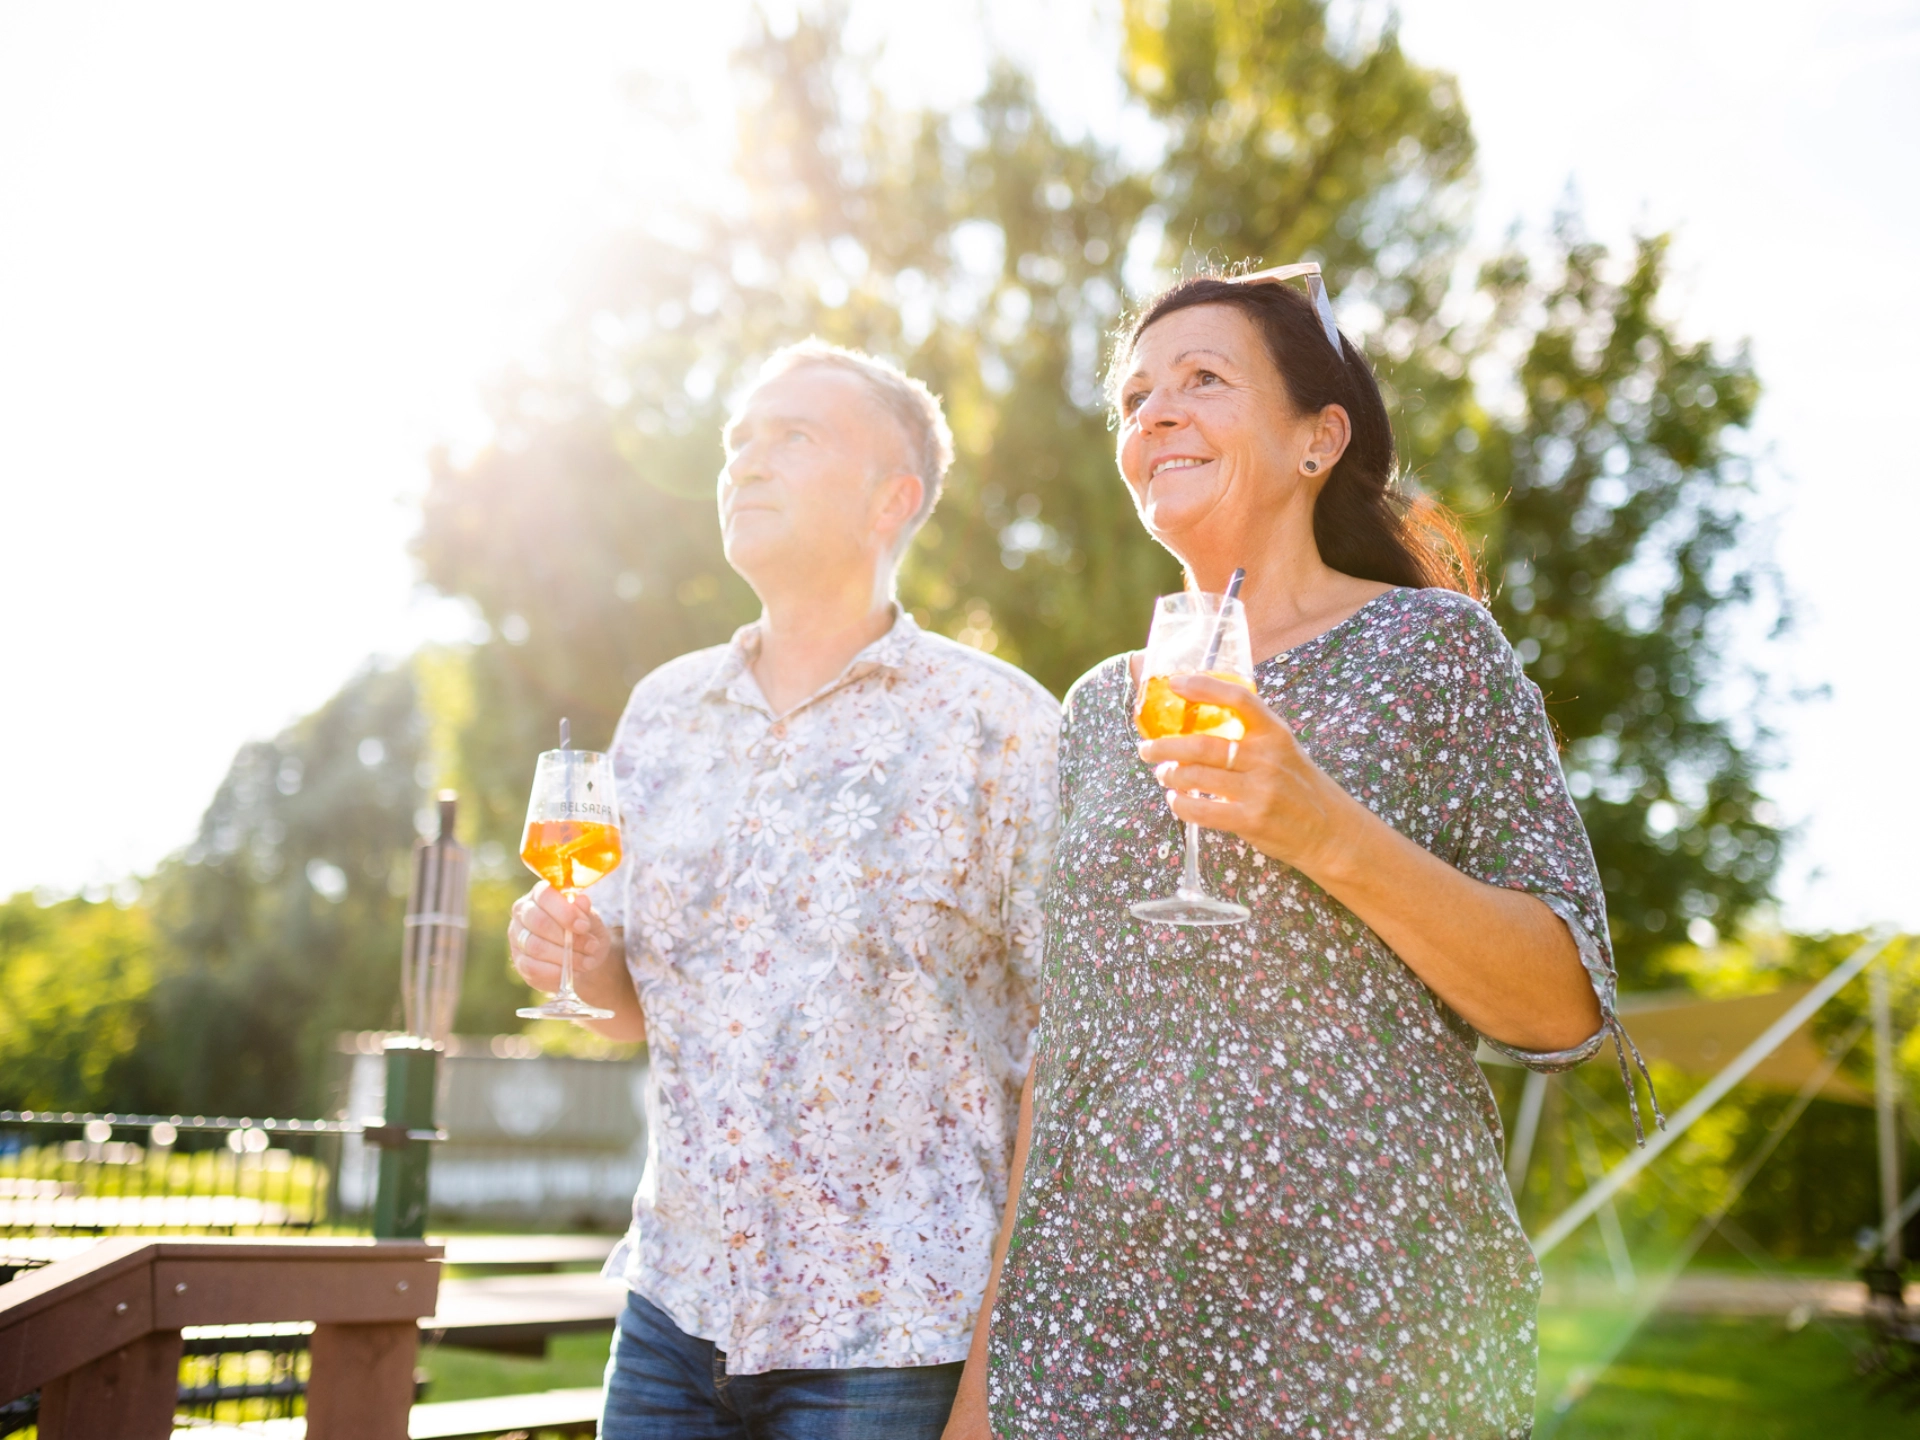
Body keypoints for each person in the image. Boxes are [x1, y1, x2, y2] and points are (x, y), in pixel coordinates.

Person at [943, 270, 1646, 1439]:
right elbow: (1066, 1045)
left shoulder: (1434, 650)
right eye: (1134, 398)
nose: (1155, 414)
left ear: (1321, 437)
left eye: (1202, 380)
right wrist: (982, 1389)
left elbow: (1563, 1006)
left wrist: (1323, 831)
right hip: (1091, 1339)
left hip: (1366, 1324)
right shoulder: (1098, 707)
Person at [508, 340, 1060, 1440]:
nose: (745, 462)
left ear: (889, 501)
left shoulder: (1003, 726)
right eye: (738, 441)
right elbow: (629, 1009)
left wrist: (992, 1385)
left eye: (792, 437)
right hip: (673, 1311)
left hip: (896, 1338)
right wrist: (578, 957)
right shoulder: (662, 714)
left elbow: (1065, 1055)